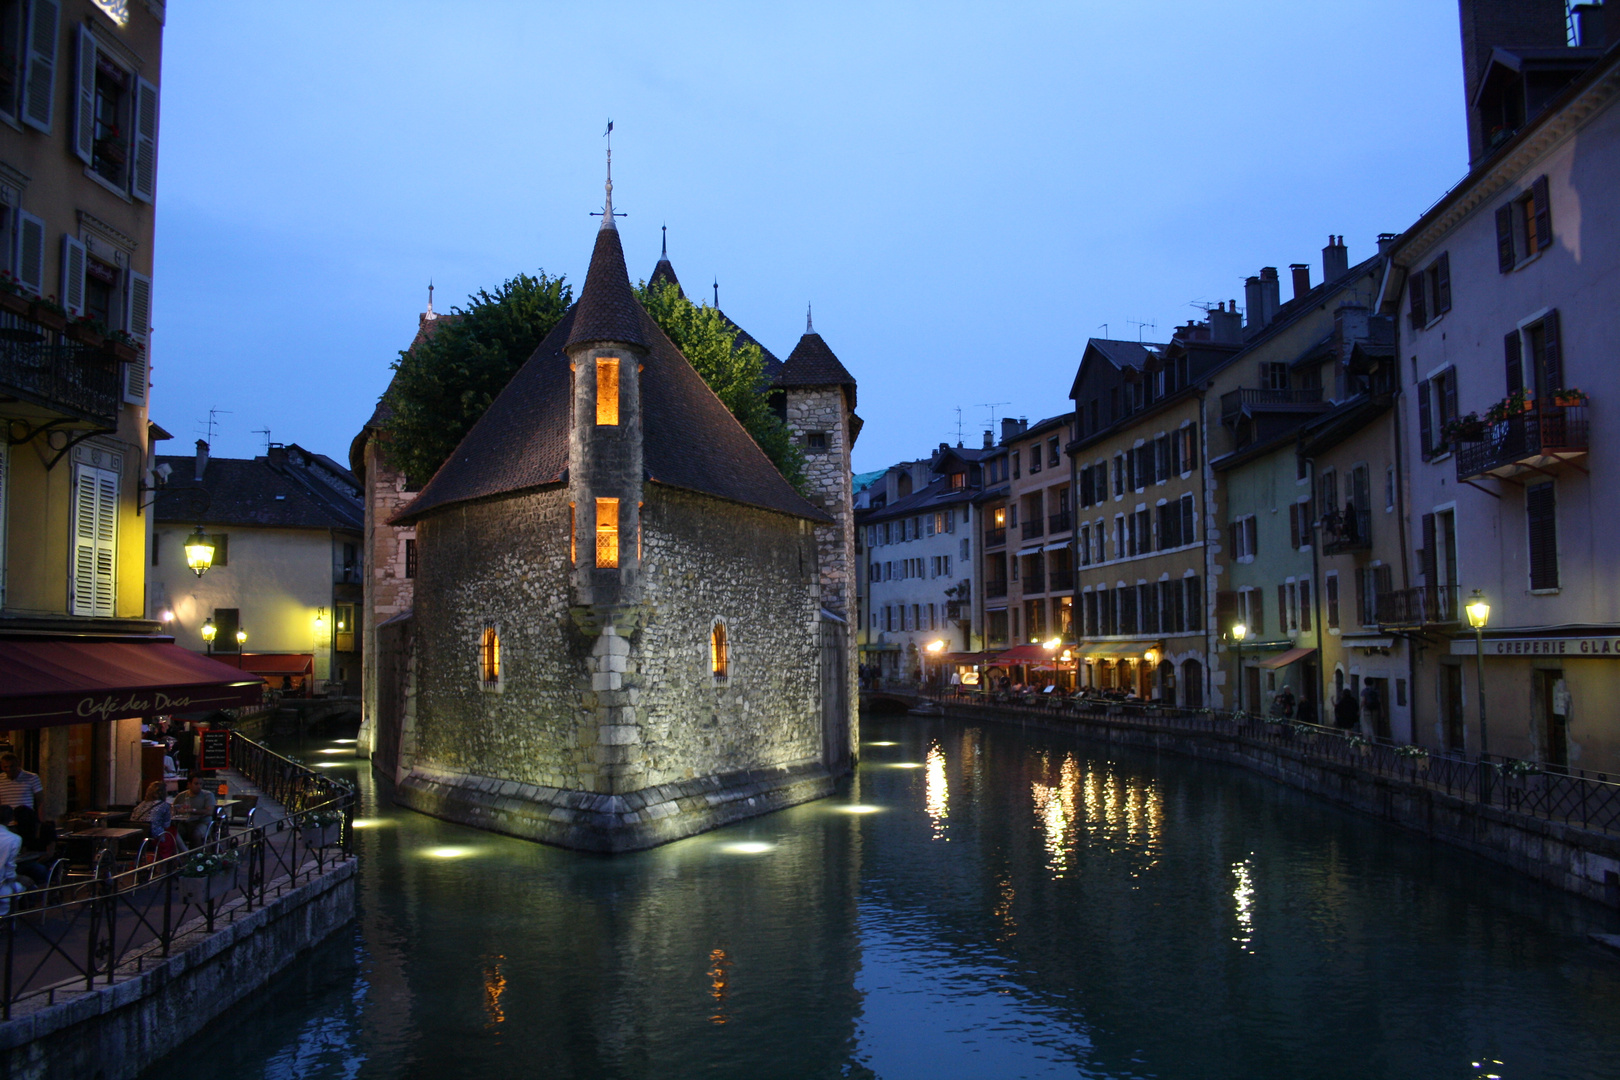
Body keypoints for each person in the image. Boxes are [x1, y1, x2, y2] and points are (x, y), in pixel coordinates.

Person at [172, 774, 217, 848]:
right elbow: (174, 809)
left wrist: (192, 810)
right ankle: (180, 855)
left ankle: (196, 856)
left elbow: (209, 812)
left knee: (196, 834)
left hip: (202, 822)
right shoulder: (181, 796)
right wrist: (178, 810)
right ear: (189, 784)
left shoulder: (208, 795)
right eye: (196, 784)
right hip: (185, 823)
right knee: (174, 833)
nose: (199, 786)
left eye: (201, 784)